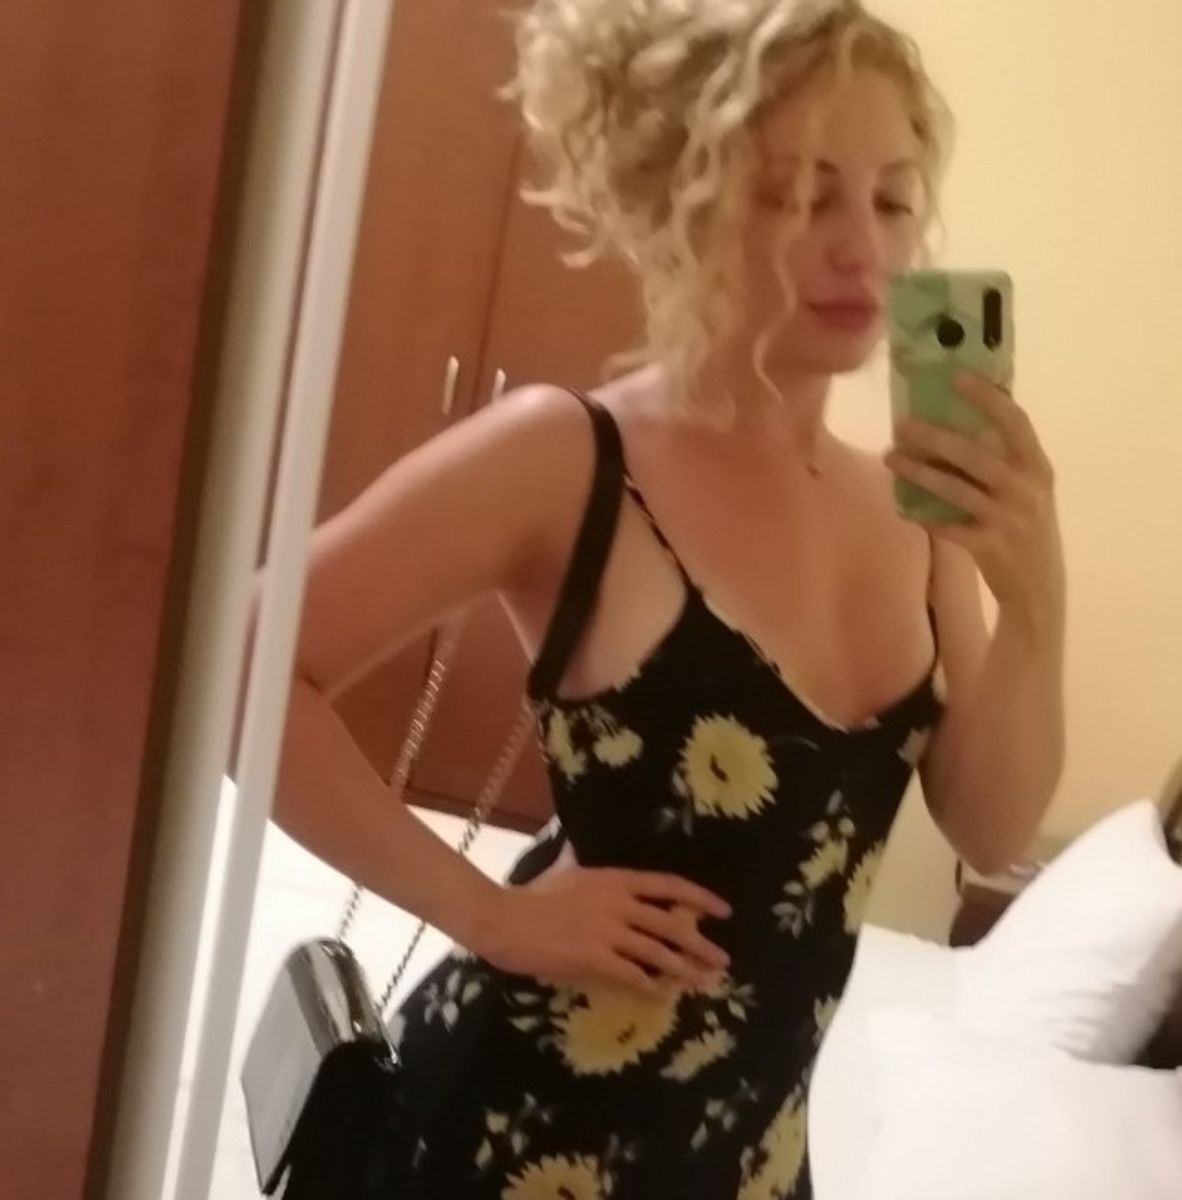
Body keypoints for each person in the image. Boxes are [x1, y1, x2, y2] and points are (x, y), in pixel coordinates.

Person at [268, 1, 1066, 1195]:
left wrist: (1037, 596)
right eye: (797, 194)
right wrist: (489, 914)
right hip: (513, 1138)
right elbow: (247, 668)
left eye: (895, 200)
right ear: (677, 202)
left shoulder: (919, 510)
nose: (865, 249)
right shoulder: (569, 461)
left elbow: (992, 832)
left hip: (747, 1153)